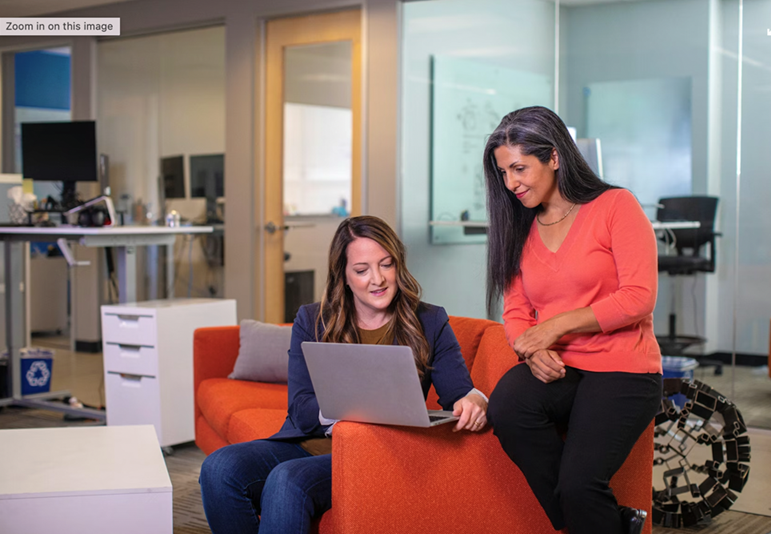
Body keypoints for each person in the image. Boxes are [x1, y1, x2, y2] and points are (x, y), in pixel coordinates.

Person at [199, 215, 488, 534]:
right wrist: (343, 408)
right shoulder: (312, 319)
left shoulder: (430, 321)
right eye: (362, 270)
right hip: (310, 443)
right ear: (344, 276)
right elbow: (300, 408)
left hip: (378, 452)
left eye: (386, 264)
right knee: (219, 468)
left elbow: (459, 393)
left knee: (287, 481)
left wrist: (475, 400)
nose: (377, 279)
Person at [482, 106, 662, 534]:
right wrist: (530, 347)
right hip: (562, 367)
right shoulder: (519, 227)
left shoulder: (616, 206)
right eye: (504, 173)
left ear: (555, 157)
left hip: (624, 368)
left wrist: (555, 327)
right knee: (507, 406)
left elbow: (639, 297)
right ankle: (609, 523)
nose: (512, 183)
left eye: (520, 168)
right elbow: (516, 309)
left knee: (579, 484)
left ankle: (585, 508)